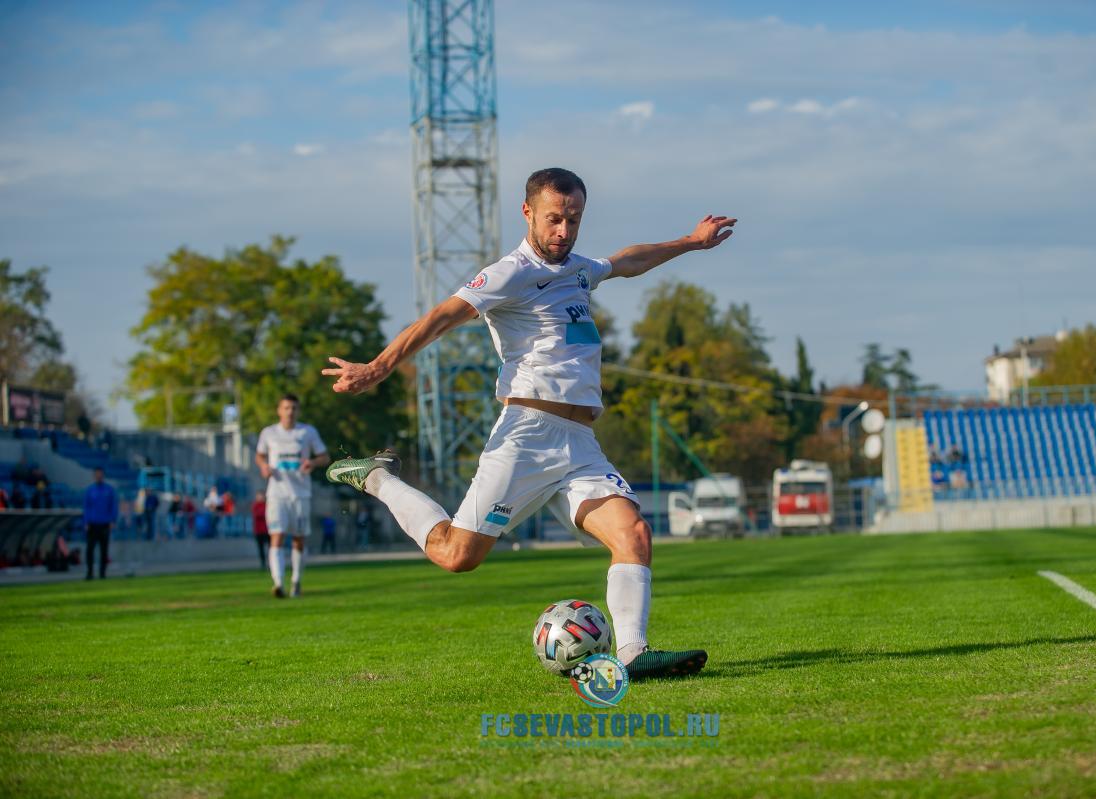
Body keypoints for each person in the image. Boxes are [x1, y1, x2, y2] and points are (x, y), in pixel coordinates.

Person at [322, 167, 734, 680]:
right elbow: (440, 317)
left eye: (574, 220)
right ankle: (378, 478)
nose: (564, 231)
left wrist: (692, 242)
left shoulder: (579, 270)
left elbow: (627, 261)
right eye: (554, 219)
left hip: (580, 443)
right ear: (528, 213)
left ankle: (631, 653)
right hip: (527, 434)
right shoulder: (508, 273)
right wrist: (379, 367)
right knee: (457, 555)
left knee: (634, 533)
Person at [255, 394, 329, 598]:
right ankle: (278, 583)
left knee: (299, 538)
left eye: (294, 408)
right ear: (279, 410)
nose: (290, 412)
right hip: (277, 493)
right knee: (276, 536)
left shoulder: (308, 432)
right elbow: (260, 455)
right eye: (286, 408)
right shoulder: (269, 433)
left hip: (300, 494)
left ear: (298, 411)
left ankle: (296, 580)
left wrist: (312, 462)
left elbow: (324, 456)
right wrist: (263, 466)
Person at [83, 467, 118, 580]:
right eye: (97, 474)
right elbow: (86, 507)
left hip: (105, 524)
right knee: (90, 550)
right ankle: (90, 573)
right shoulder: (90, 490)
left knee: (104, 550)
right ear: (94, 476)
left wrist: (112, 520)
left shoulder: (109, 490)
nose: (99, 476)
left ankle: (102, 573)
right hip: (92, 524)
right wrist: (86, 521)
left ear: (103, 475)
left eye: (100, 474)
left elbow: (113, 506)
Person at [251, 491, 269, 569]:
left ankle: (272, 562)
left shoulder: (267, 505)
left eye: (262, 496)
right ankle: (263, 563)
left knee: (271, 547)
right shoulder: (255, 505)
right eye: (259, 496)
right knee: (261, 548)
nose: (261, 497)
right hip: (258, 531)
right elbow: (258, 514)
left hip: (267, 530)